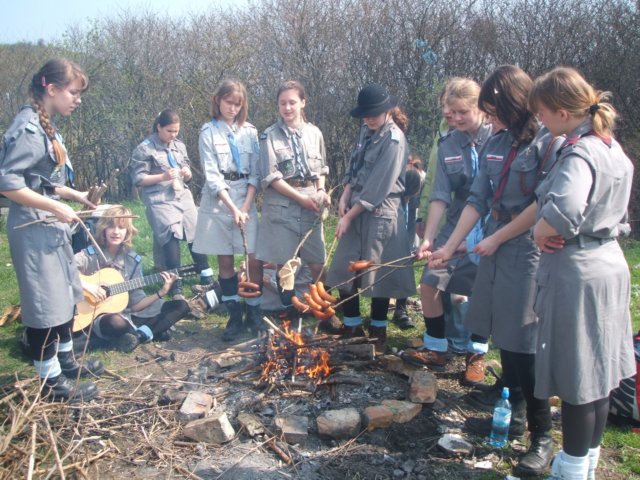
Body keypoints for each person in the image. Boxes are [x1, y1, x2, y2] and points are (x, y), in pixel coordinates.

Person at [430, 65, 562, 476]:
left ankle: (541, 437)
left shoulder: (546, 143)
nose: (491, 118)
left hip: (527, 246)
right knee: (504, 332)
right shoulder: (497, 143)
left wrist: (499, 237)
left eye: (494, 109)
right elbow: (476, 199)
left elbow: (541, 203)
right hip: (494, 243)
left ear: (512, 103)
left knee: (524, 338)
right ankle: (513, 414)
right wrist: (449, 247)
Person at [529, 67, 635, 480]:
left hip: (579, 272)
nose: (540, 122)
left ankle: (570, 471)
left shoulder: (579, 152)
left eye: (541, 113)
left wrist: (542, 230)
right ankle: (587, 462)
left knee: (578, 374)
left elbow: (565, 209)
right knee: (601, 370)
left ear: (560, 111)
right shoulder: (612, 147)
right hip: (609, 261)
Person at [0, 59, 102, 402]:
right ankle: (51, 385)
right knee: (45, 306)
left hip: (49, 226)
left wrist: (73, 195)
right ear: (52, 89)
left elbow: (43, 182)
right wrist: (56, 208)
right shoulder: (28, 128)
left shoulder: (48, 127)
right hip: (32, 228)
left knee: (64, 295)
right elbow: (8, 184)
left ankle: (66, 360)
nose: (78, 99)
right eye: (73, 93)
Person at [405, 78, 492, 382]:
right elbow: (440, 194)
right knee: (430, 281)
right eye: (448, 114)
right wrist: (428, 237)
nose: (454, 119)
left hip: (491, 224)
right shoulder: (448, 144)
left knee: (480, 291)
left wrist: (475, 240)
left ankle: (477, 354)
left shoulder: (498, 137)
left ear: (480, 108)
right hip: (455, 220)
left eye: (461, 112)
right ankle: (436, 347)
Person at [327, 83, 416, 353]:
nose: (368, 119)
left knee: (380, 275)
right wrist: (344, 196)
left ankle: (378, 328)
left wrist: (348, 215)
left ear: (387, 110)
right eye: (364, 115)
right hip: (355, 208)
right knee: (344, 268)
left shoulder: (394, 140)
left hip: (382, 213)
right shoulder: (366, 131)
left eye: (373, 114)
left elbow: (378, 186)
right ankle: (352, 324)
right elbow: (354, 167)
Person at [192, 80, 262, 340]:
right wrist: (232, 208)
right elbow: (212, 176)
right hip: (219, 201)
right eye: (228, 102)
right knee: (225, 259)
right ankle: (234, 314)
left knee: (254, 257)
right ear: (218, 100)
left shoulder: (250, 132)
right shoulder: (208, 132)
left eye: (237, 104)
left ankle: (254, 312)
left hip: (246, 195)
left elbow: (256, 172)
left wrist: (244, 207)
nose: (232, 108)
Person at [256, 80, 330, 320]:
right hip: (283, 206)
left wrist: (321, 191)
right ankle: (290, 311)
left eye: (292, 102)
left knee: (317, 263)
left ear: (302, 103)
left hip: (312, 206)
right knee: (285, 266)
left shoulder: (315, 133)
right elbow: (271, 178)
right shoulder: (269, 136)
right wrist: (300, 198)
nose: (287, 108)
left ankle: (318, 308)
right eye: (282, 103)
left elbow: (321, 170)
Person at [75, 206, 191, 352]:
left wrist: (162, 292)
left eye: (122, 227)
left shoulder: (132, 260)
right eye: (111, 226)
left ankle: (139, 335)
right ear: (104, 229)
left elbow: (135, 305)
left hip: (128, 313)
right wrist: (88, 286)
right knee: (116, 322)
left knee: (181, 306)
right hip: (97, 315)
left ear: (128, 232)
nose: (116, 232)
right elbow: (64, 270)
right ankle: (151, 331)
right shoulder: (89, 255)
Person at [130, 109, 211, 300]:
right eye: (169, 131)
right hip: (159, 197)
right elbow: (138, 179)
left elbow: (187, 169)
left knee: (194, 229)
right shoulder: (145, 149)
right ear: (159, 127)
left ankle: (207, 276)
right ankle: (176, 285)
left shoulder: (179, 146)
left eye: (176, 131)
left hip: (181, 194)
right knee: (170, 234)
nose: (173, 135)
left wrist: (188, 174)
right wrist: (162, 177)